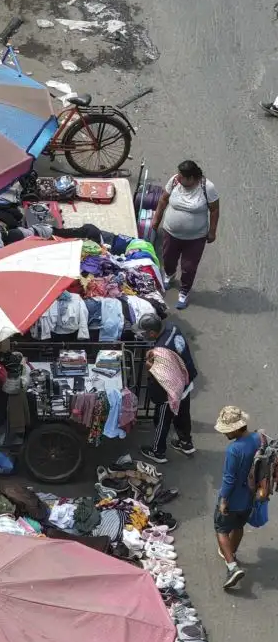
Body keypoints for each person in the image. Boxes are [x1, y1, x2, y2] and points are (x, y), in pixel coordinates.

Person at [148, 160, 219, 310]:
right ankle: (169, 274)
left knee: (189, 266)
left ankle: (184, 292)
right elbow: (163, 200)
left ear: (192, 178)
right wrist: (156, 220)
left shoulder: (207, 187)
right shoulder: (174, 181)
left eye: (182, 177)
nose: (178, 179)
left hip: (195, 238)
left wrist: (212, 231)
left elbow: (214, 210)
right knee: (168, 258)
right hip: (171, 232)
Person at [214, 406, 261, 589]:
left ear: (235, 428)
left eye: (227, 430)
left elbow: (229, 478)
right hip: (250, 497)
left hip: (233, 497)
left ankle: (232, 567)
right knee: (239, 525)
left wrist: (224, 500)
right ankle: (231, 553)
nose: (225, 434)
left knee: (221, 528)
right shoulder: (258, 439)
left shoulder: (234, 449)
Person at [139, 323, 198, 464]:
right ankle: (186, 443)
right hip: (185, 383)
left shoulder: (161, 352)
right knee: (183, 415)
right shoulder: (173, 329)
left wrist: (151, 366)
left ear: (153, 333)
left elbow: (164, 377)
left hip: (170, 393)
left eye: (145, 333)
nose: (143, 335)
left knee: (162, 421)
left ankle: (158, 452)